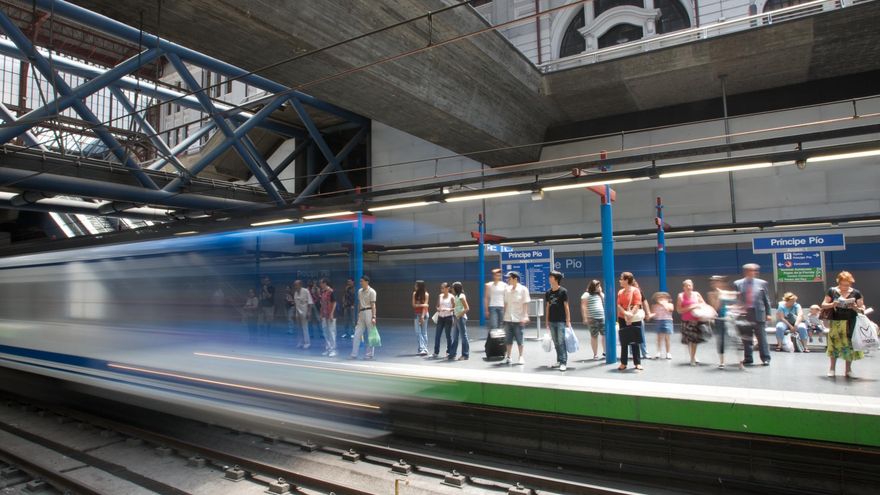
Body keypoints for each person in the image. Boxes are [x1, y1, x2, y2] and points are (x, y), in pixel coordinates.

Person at [821, 271, 865, 378]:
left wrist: (855, 307)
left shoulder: (856, 293)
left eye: (848, 284)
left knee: (849, 345)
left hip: (850, 322)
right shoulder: (832, 291)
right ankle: (832, 369)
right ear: (839, 282)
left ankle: (848, 370)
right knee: (834, 344)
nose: (845, 287)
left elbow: (862, 309)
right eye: (843, 284)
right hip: (836, 322)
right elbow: (823, 305)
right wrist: (832, 304)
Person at [733, 263, 773, 367]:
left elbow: (766, 300)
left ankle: (765, 358)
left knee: (762, 338)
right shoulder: (738, 284)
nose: (754, 272)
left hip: (759, 313)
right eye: (752, 270)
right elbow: (735, 300)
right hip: (745, 314)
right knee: (746, 338)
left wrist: (768, 313)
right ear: (746, 272)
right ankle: (748, 358)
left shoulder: (762, 283)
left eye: (755, 270)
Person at [676, 279, 709, 367]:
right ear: (683, 287)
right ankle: (692, 355)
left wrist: (703, 312)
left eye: (690, 285)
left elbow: (703, 305)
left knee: (694, 340)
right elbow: (679, 310)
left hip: (695, 321)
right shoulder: (680, 296)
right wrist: (692, 307)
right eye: (687, 285)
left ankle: (692, 358)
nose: (689, 287)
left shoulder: (697, 294)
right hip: (685, 321)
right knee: (688, 341)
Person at [706, 276, 737, 368]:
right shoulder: (711, 294)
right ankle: (722, 362)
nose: (715, 284)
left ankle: (740, 361)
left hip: (730, 318)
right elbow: (715, 308)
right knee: (721, 341)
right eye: (713, 282)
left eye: (717, 281)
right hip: (719, 319)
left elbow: (734, 303)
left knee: (735, 339)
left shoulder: (727, 292)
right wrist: (719, 297)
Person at [616, 272, 644, 371]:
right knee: (624, 340)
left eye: (621, 279)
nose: (620, 280)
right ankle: (623, 363)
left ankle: (637, 363)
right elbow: (618, 305)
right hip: (622, 318)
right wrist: (625, 314)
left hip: (634, 318)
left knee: (635, 341)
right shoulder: (620, 292)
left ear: (627, 280)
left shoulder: (636, 291)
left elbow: (637, 304)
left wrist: (630, 315)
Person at [545, 271, 571, 371]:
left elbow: (566, 306)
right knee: (556, 342)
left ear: (556, 279)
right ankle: (559, 360)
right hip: (551, 321)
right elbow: (547, 307)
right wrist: (546, 320)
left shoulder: (563, 291)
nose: (549, 278)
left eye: (551, 277)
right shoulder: (548, 292)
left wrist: (568, 320)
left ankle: (563, 362)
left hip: (561, 320)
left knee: (561, 341)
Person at [502, 271, 530, 365]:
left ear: (515, 279)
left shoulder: (523, 289)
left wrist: (525, 316)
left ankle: (521, 356)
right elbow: (505, 303)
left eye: (509, 278)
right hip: (508, 318)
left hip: (519, 319)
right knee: (508, 339)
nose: (507, 280)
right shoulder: (507, 290)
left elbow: (525, 303)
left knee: (520, 339)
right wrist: (503, 316)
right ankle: (509, 357)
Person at [350, 275, 377, 360]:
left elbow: (373, 305)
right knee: (357, 333)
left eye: (362, 281)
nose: (360, 283)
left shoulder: (372, 291)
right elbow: (359, 304)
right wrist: (358, 314)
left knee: (370, 334)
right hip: (361, 313)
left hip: (369, 312)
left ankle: (369, 354)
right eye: (360, 281)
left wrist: (373, 316)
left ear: (366, 282)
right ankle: (354, 354)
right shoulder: (359, 291)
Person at [581, 280, 605, 360]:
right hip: (592, 318)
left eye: (599, 286)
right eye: (597, 286)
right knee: (594, 336)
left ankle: (605, 352)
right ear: (593, 286)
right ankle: (595, 354)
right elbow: (583, 306)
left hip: (602, 317)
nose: (599, 287)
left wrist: (600, 292)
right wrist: (585, 317)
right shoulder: (586, 294)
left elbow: (605, 302)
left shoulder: (600, 294)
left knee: (604, 335)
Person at [647, 291, 674, 360]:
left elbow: (670, 309)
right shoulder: (654, 305)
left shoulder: (670, 304)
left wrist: (663, 304)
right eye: (659, 298)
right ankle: (658, 352)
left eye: (663, 298)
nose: (661, 299)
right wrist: (650, 316)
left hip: (667, 321)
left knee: (667, 338)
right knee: (659, 338)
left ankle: (668, 353)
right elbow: (654, 313)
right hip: (658, 321)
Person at [449, 281, 471, 361]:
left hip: (461, 318)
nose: (451, 289)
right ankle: (452, 354)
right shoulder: (456, 296)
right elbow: (457, 307)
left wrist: (458, 315)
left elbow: (467, 308)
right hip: (457, 318)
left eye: (452, 287)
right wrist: (451, 310)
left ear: (456, 288)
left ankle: (465, 355)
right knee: (455, 336)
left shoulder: (461, 296)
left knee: (463, 336)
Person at [433, 282, 455, 358]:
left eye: (443, 287)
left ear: (448, 288)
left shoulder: (451, 297)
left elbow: (455, 308)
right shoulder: (440, 296)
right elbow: (437, 306)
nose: (441, 289)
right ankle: (436, 352)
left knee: (448, 335)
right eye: (441, 288)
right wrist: (438, 309)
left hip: (448, 318)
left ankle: (449, 351)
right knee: (437, 335)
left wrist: (447, 309)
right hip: (440, 317)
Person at [292, 280, 313, 349]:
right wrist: (294, 314)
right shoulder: (295, 293)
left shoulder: (306, 291)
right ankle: (300, 342)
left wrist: (309, 312)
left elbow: (310, 302)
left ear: (300, 285)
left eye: (296, 285)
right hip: (298, 313)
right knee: (299, 329)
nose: (295, 286)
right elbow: (295, 304)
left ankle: (307, 343)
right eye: (294, 285)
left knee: (305, 328)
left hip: (305, 312)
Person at [319, 279, 337, 357]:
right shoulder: (322, 292)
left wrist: (332, 314)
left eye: (321, 283)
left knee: (331, 332)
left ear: (325, 283)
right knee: (325, 332)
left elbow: (334, 302)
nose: (320, 285)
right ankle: (328, 348)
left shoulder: (331, 292)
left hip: (330, 315)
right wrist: (321, 313)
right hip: (324, 315)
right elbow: (322, 304)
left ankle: (333, 350)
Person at [412, 280, 430, 356]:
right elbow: (413, 305)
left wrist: (422, 316)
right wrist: (423, 305)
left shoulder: (426, 294)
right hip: (416, 314)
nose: (414, 286)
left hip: (424, 314)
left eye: (416, 285)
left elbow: (425, 307)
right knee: (417, 332)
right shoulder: (414, 294)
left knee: (424, 332)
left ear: (419, 286)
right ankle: (422, 348)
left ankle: (423, 349)